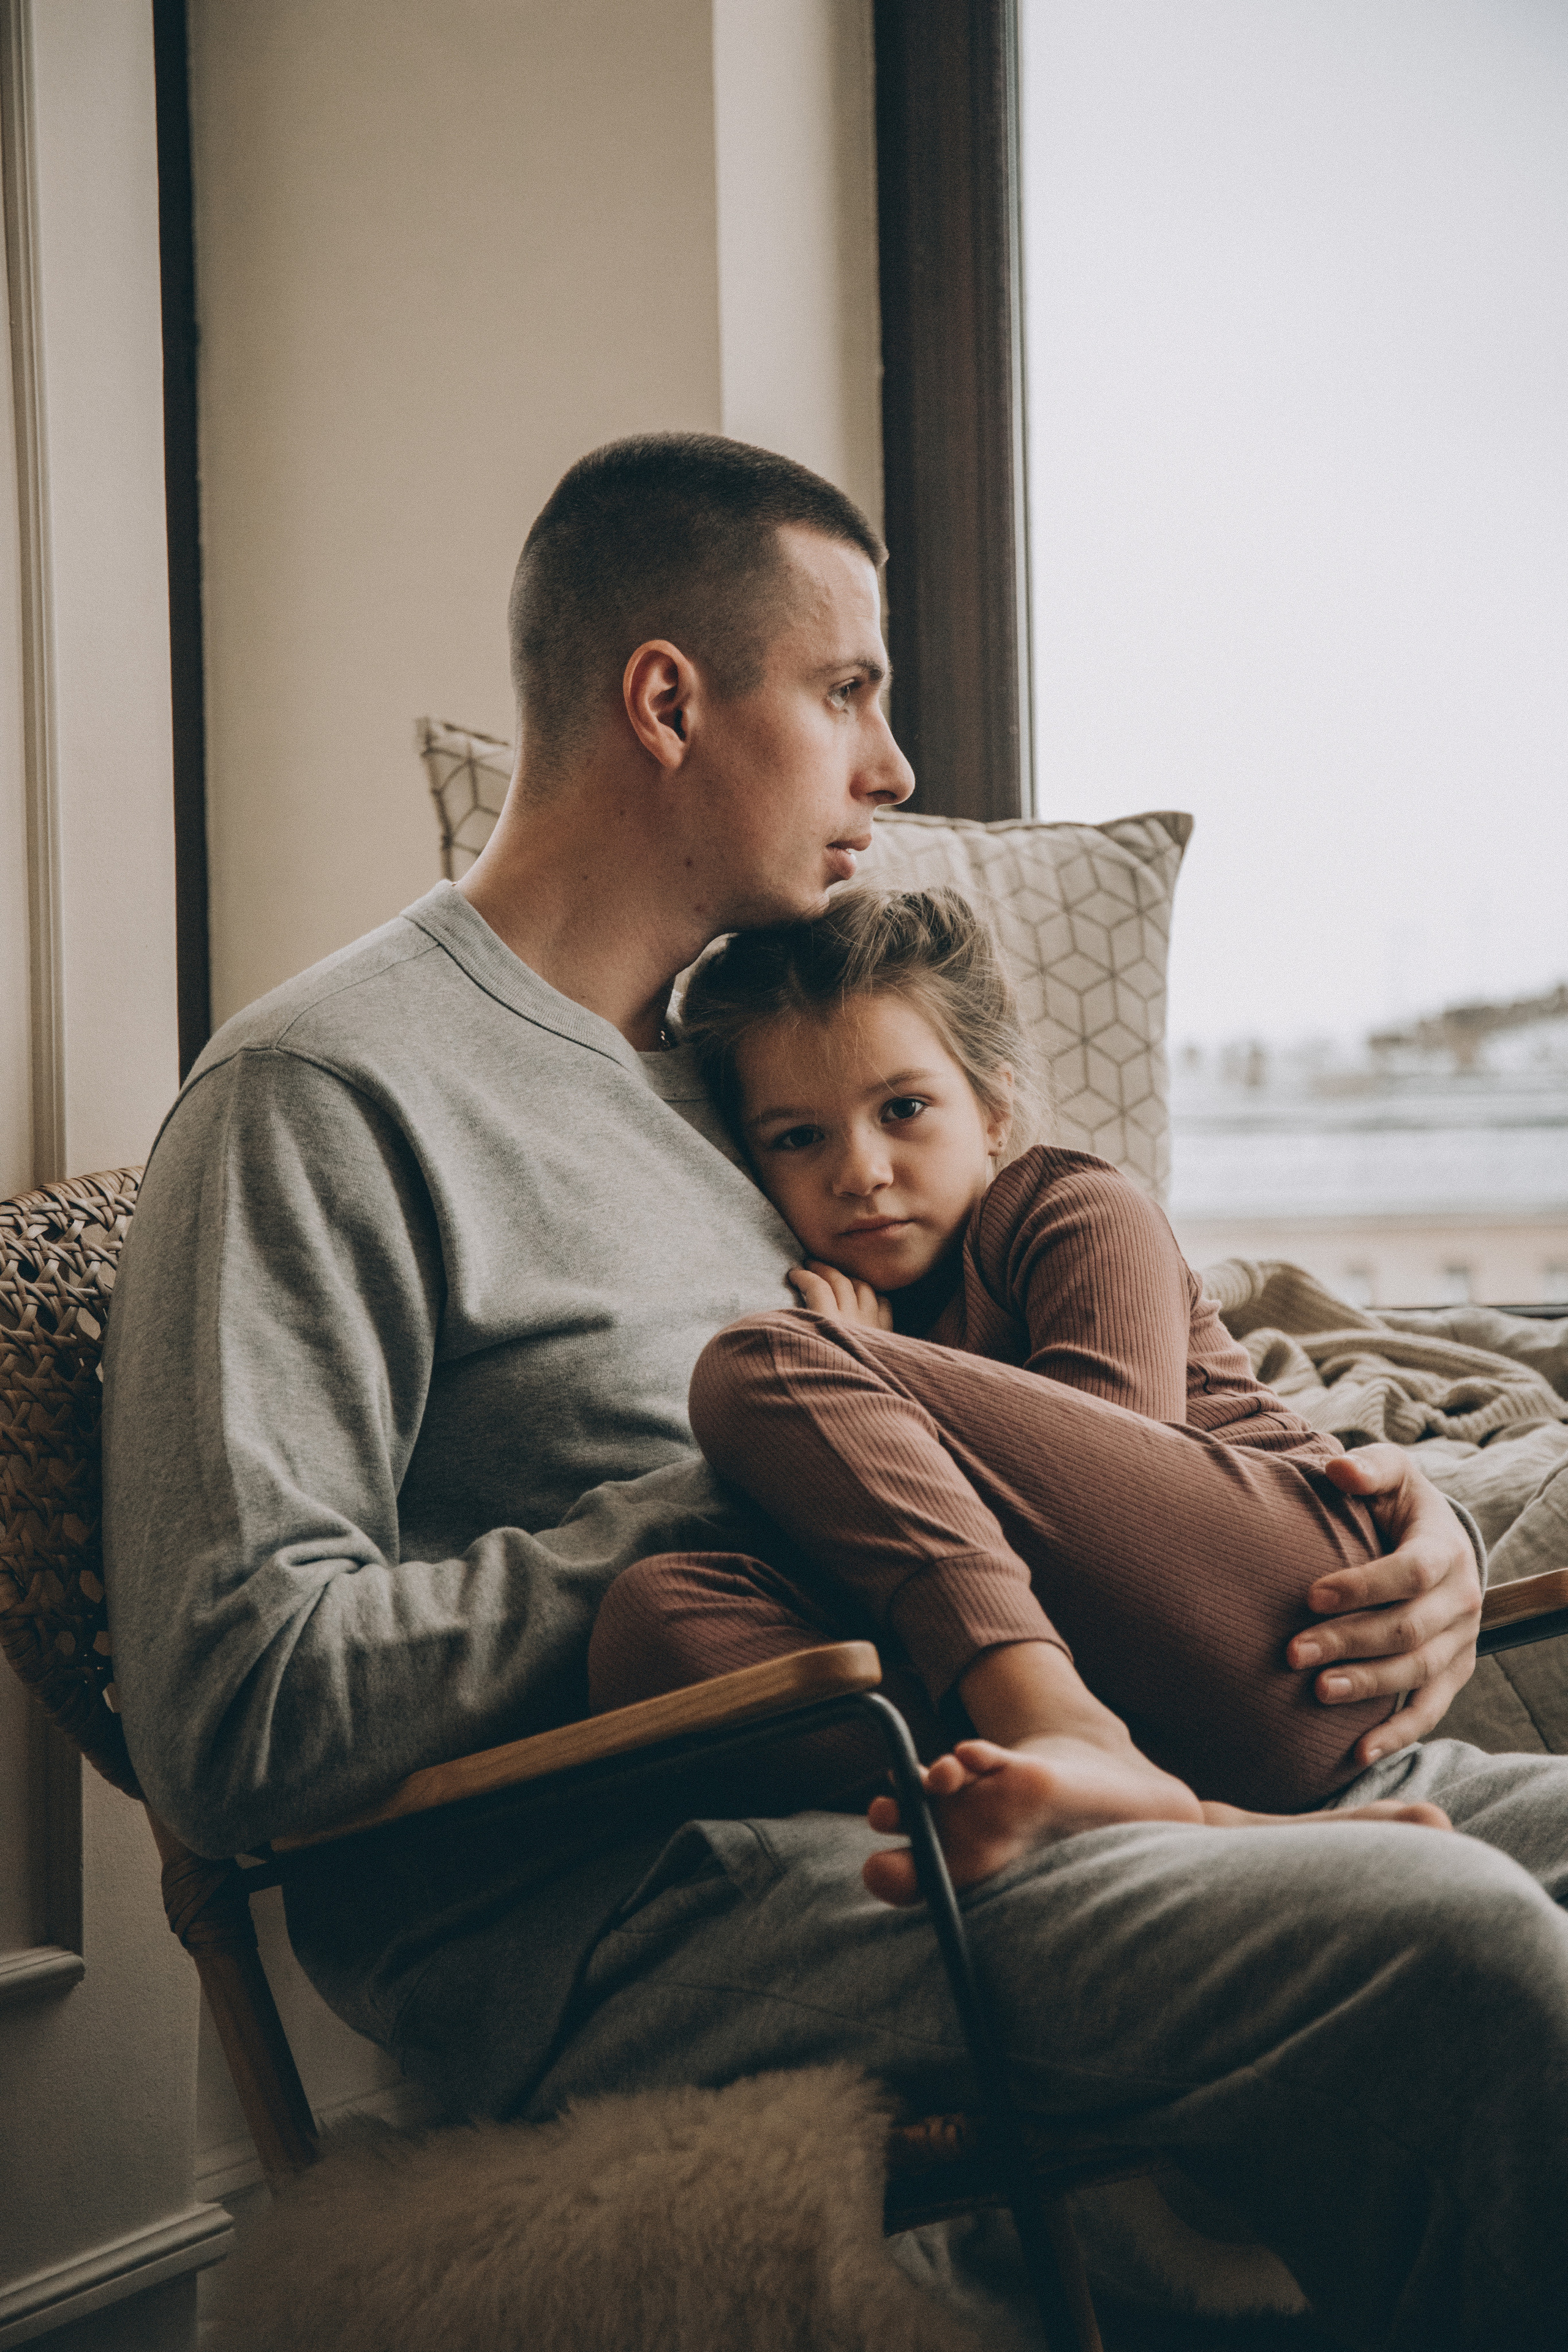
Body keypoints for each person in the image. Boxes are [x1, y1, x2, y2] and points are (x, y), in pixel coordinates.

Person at [102, 433, 1568, 2349]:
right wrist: (746, 1495)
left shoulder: (742, 1081)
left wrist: (1420, 1525)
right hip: (662, 1890)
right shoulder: (321, 1098)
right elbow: (233, 1704)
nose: (891, 767)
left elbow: (1073, 1397)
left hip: (1011, 1755)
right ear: (665, 702)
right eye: (851, 690)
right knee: (1451, 1945)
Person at [587, 883, 1453, 1890]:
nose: (861, 1170)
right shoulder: (859, 1322)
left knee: (759, 1363)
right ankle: (1189, 1819)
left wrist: (857, 1376)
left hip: (1288, 1618)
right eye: (797, 1138)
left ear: (994, 1110)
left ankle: (1070, 1737)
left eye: (904, 1110)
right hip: (1175, 1725)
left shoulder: (1070, 1208)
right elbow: (940, 1573)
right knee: (653, 1627)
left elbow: (1102, 1503)